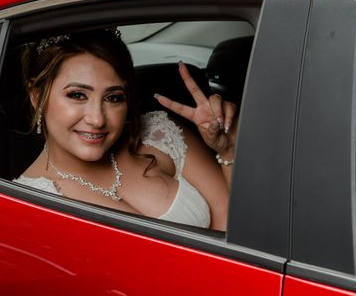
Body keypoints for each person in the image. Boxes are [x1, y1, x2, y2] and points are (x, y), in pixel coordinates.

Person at [14, 29, 237, 231]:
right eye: (77, 95)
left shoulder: (160, 134)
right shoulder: (24, 203)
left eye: (113, 98)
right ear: (37, 97)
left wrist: (227, 149)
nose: (97, 119)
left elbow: (234, 226)